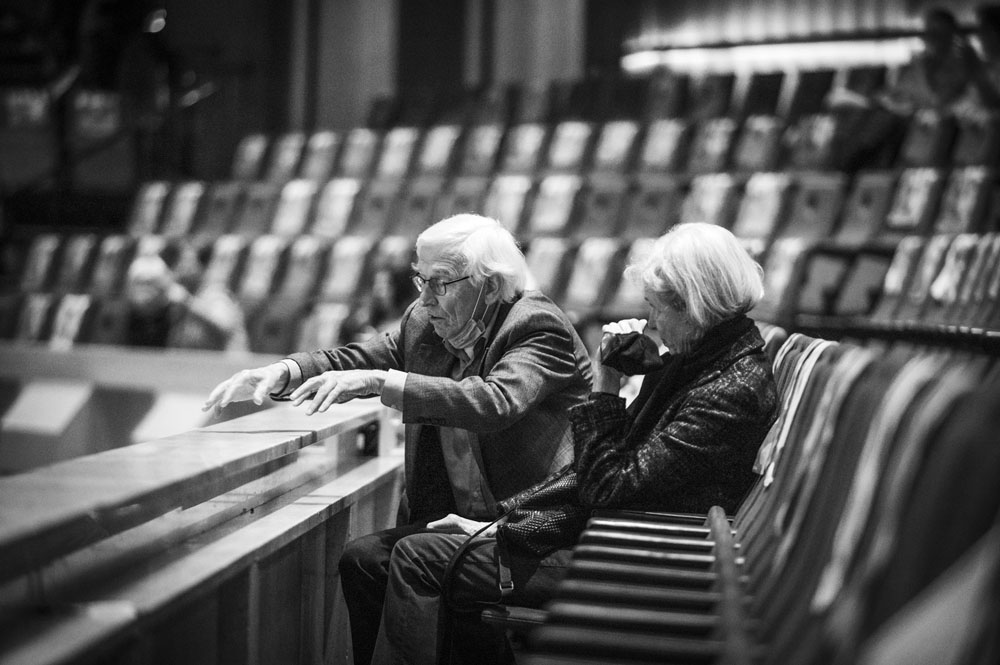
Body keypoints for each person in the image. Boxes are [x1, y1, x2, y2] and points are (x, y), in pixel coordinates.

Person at [365, 222, 780, 665]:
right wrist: (503, 525)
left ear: (694, 305)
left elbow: (607, 486)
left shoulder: (730, 387)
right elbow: (600, 474)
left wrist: (607, 385)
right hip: (613, 535)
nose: (654, 322)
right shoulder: (700, 362)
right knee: (374, 559)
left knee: (417, 557)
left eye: (657, 308)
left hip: (642, 560)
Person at [201, 214, 593, 665]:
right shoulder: (424, 323)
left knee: (411, 557)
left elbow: (492, 402)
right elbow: (355, 357)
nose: (424, 298)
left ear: (487, 284)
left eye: (440, 283)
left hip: (531, 526)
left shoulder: (536, 325)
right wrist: (284, 370)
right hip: (456, 520)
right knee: (363, 560)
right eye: (420, 280)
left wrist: (381, 382)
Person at [125, 246, 249, 352]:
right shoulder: (179, 295)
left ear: (201, 267)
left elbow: (224, 324)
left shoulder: (215, 294)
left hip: (228, 371)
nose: (181, 269)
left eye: (187, 263)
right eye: (180, 263)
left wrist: (187, 302)